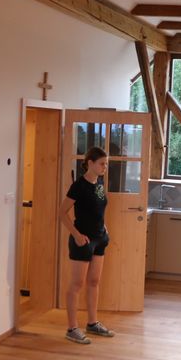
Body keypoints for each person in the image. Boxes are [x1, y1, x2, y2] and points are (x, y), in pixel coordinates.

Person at [57, 146, 115, 344]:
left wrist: (103, 226)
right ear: (90, 163)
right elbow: (62, 213)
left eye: (106, 164)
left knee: (94, 282)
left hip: (100, 239)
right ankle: (72, 328)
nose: (105, 167)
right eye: (102, 164)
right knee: (76, 284)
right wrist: (76, 235)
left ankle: (92, 323)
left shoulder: (99, 183)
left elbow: (98, 209)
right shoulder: (78, 186)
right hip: (83, 241)